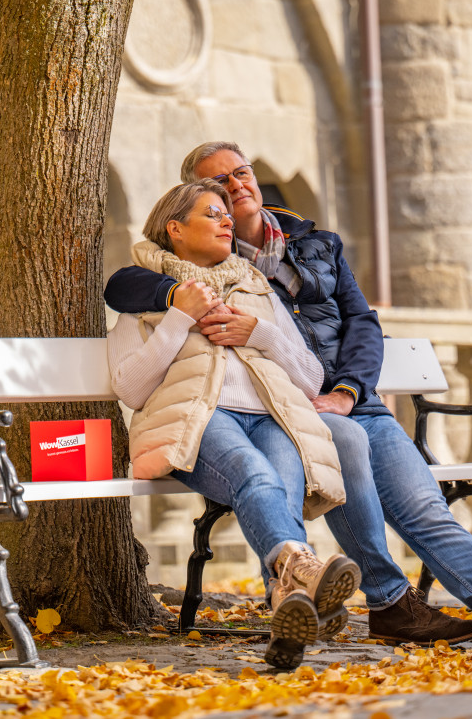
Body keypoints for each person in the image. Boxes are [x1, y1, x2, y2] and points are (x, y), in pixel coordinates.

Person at [105, 142, 472, 654]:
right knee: (315, 454)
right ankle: (341, 602)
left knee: (424, 508)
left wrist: (348, 391)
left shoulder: (311, 245)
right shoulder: (184, 274)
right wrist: (178, 302)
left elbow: (361, 323)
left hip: (342, 401)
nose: (235, 189)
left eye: (241, 173)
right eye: (217, 188)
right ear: (187, 205)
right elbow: (126, 285)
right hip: (286, 406)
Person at [107, 179, 362, 669]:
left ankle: (289, 606)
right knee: (254, 472)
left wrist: (260, 332)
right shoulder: (144, 295)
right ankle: (300, 578)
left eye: (227, 212)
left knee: (279, 486)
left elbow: (310, 378)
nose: (228, 220)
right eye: (211, 213)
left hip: (271, 416)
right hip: (197, 421)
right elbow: (131, 388)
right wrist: (179, 319)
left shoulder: (254, 286)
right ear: (174, 229)